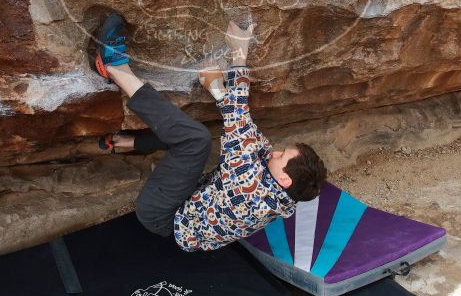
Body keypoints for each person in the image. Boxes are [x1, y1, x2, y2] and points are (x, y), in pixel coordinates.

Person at [93, 13, 327, 251]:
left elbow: (238, 119)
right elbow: (250, 134)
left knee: (195, 140)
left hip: (163, 214)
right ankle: (124, 143)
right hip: (188, 201)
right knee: (191, 136)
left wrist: (239, 53)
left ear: (285, 179)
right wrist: (218, 91)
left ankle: (114, 66)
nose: (275, 152)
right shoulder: (281, 195)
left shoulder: (251, 192)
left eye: (281, 156)